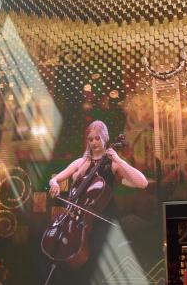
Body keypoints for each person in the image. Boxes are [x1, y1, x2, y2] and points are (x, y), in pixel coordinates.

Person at [44, 120, 148, 283]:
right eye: (90, 139)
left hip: (102, 222)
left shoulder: (113, 164)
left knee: (96, 267)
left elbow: (143, 183)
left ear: (105, 138)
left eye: (97, 138)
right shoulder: (81, 163)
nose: (93, 142)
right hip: (78, 222)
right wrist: (54, 184)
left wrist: (119, 160)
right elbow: (55, 179)